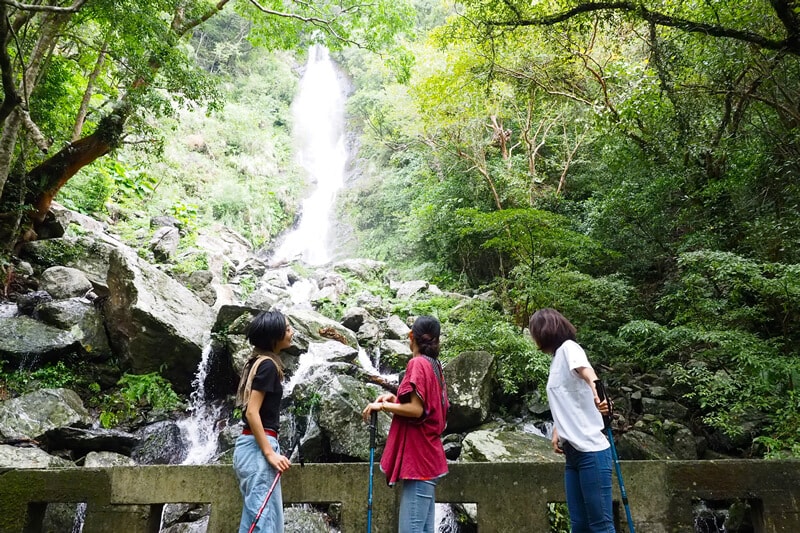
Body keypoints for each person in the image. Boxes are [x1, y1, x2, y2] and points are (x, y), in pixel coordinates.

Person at [529, 308, 615, 533]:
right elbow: (567, 398)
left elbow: (587, 372)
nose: (533, 337)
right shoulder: (556, 359)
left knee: (601, 526)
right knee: (579, 525)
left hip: (592, 452)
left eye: (533, 332)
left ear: (544, 330)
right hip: (573, 455)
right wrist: (557, 429)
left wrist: (599, 393)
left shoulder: (569, 348)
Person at [362, 315, 449, 533]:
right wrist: (395, 400)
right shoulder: (434, 365)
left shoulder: (417, 363)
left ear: (412, 337)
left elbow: (416, 410)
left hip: (419, 461)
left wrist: (382, 407)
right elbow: (425, 406)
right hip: (430, 458)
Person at [233, 310, 294, 533]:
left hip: (251, 447)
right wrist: (269, 453)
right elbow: (251, 412)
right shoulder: (268, 365)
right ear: (274, 336)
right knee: (263, 522)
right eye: (287, 329)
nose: (292, 332)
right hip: (258, 449)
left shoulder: (258, 361)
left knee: (258, 518)